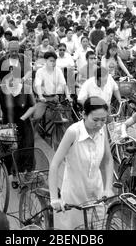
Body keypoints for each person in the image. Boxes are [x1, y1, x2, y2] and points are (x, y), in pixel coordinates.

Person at [49, 96, 114, 230]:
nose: (99, 124)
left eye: (103, 120)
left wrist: (108, 188)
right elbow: (55, 164)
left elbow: (108, 160)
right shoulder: (73, 132)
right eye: (95, 120)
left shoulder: (103, 130)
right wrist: (54, 198)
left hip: (97, 193)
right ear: (83, 114)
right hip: (74, 195)